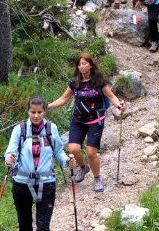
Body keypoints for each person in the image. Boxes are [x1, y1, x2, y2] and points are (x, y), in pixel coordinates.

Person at [4, 97, 68, 231]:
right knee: (24, 221)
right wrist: (9, 158)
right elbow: (10, 150)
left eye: (40, 112)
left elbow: (59, 152)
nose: (36, 115)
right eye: (33, 112)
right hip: (21, 182)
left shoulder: (51, 129)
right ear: (28, 111)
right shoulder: (20, 130)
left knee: (43, 225)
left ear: (45, 111)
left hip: (46, 183)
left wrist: (67, 161)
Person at [48, 53, 126, 193]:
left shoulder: (99, 81)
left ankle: (97, 178)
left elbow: (111, 96)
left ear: (90, 64)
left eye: (84, 63)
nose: (82, 66)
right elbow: (63, 99)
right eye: (79, 64)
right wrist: (47, 106)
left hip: (95, 121)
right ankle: (83, 167)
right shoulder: (74, 82)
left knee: (91, 152)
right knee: (73, 149)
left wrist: (119, 105)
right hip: (78, 120)